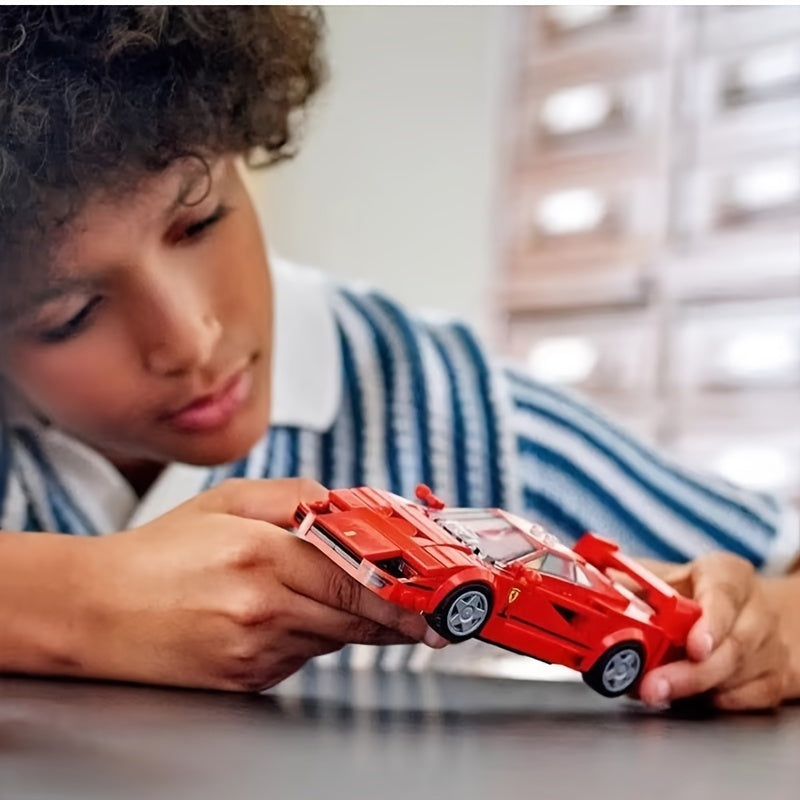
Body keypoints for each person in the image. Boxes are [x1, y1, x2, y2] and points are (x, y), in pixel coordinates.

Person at [0, 6, 797, 710]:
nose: (192, 340)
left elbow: (778, 579)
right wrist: (78, 604)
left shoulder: (457, 412)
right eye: (68, 314)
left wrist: (766, 633)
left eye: (201, 221)